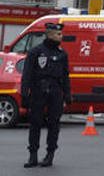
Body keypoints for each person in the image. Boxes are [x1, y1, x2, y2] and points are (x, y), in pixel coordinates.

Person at [20, 22, 71, 168]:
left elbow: (65, 76)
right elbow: (27, 74)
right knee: (35, 122)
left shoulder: (62, 54)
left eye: (61, 34)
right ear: (49, 34)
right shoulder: (36, 51)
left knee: (54, 123)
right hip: (38, 90)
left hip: (55, 91)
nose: (61, 36)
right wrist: (25, 94)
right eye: (58, 34)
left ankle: (50, 154)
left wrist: (67, 94)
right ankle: (33, 155)